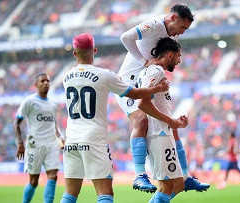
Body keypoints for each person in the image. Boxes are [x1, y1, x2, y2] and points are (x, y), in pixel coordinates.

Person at [60, 33, 170, 203]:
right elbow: (134, 93)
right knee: (105, 194)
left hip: (72, 140)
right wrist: (158, 88)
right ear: (94, 50)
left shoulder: (66, 77)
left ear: (74, 53)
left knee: (69, 195)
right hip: (93, 138)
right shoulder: (104, 75)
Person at [116, 3, 209, 193]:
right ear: (173, 18)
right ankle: (140, 175)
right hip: (127, 84)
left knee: (172, 127)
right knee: (141, 120)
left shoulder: (168, 36)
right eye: (182, 27)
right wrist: (143, 61)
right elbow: (125, 37)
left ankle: (185, 176)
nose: (182, 33)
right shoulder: (154, 25)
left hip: (145, 81)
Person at [137, 37, 189, 202]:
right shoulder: (156, 71)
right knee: (166, 187)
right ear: (170, 55)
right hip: (158, 134)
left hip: (162, 131)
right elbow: (143, 103)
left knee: (178, 184)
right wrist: (169, 121)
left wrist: (174, 121)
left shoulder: (149, 71)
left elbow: (153, 103)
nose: (179, 60)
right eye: (178, 56)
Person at [14, 73, 64, 203]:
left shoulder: (54, 102)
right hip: (34, 145)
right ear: (36, 84)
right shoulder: (29, 101)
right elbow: (16, 123)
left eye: (48, 81)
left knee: (53, 176)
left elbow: (54, 124)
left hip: (51, 145)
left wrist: (61, 136)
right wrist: (20, 143)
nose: (46, 83)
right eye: (42, 81)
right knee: (34, 181)